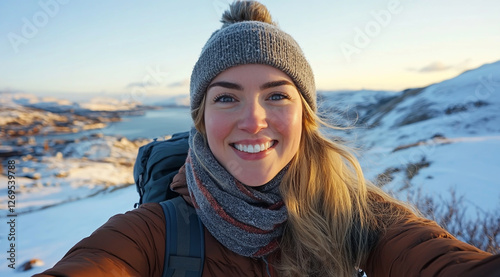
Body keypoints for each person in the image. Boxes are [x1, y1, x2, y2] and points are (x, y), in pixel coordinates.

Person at [35, 1, 499, 276]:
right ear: (201, 118)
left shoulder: (354, 214)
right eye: (226, 98)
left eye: (276, 95)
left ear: (305, 114)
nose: (254, 121)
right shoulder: (156, 232)